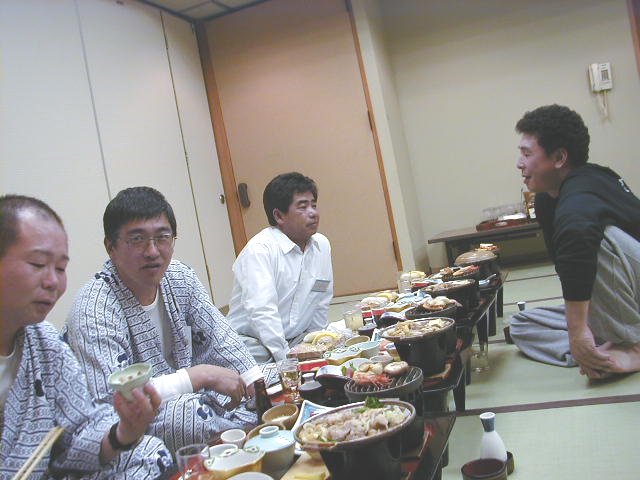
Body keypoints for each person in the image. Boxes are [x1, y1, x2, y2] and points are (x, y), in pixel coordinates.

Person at [64, 187, 269, 453]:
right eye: (137, 240)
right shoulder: (94, 308)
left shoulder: (179, 276)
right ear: (110, 247)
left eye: (162, 237)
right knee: (187, 416)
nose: (152, 251)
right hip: (130, 425)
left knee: (271, 375)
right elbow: (112, 400)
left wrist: (258, 386)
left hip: (193, 396)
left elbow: (221, 337)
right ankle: (240, 437)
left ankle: (242, 435)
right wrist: (199, 376)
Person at [0, 194, 171, 479]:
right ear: (111, 247)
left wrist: (123, 432)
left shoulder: (44, 344)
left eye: (60, 268)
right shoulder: (94, 304)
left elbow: (79, 429)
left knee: (149, 453)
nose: (53, 281)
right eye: (38, 264)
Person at [509, 104, 640, 379]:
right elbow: (566, 268)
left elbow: (578, 238)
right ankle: (597, 355)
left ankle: (632, 347)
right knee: (520, 324)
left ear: (559, 157)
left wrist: (577, 329)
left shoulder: (587, 186)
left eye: (527, 154)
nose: (519, 163)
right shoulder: (547, 200)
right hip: (616, 301)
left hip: (632, 291)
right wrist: (578, 329)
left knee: (596, 238)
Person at [226, 172, 333, 363]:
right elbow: (263, 312)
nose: (313, 213)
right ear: (279, 215)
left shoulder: (321, 245)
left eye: (314, 205)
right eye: (303, 206)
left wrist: (316, 346)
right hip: (254, 342)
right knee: (255, 362)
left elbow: (321, 300)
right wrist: (287, 361)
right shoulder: (260, 250)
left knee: (338, 343)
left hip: (296, 338)